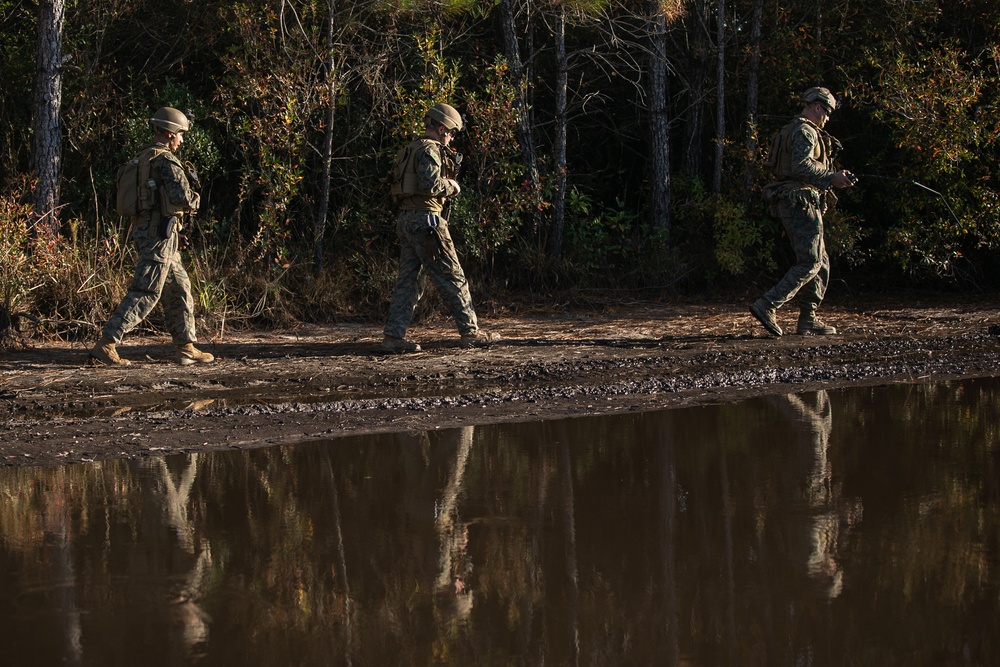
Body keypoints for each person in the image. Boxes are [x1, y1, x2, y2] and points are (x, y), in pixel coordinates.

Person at [89, 107, 214, 366]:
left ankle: (186, 346)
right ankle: (108, 342)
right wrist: (196, 199)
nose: (181, 140)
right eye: (180, 134)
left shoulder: (144, 156)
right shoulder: (166, 161)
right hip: (160, 236)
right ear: (170, 133)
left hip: (155, 233)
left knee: (179, 287)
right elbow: (182, 197)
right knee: (146, 291)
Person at [382, 102, 498, 353]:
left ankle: (393, 337)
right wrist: (452, 186)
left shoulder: (410, 149)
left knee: (408, 282)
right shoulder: (429, 150)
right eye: (451, 132)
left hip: (407, 219)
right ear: (441, 127)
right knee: (452, 276)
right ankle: (470, 332)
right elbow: (430, 183)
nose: (451, 137)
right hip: (427, 221)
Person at [750, 87, 856, 337]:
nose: (827, 118)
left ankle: (808, 319)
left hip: (798, 200)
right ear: (817, 107)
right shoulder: (804, 131)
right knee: (810, 260)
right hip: (800, 201)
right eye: (827, 112)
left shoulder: (794, 129)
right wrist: (832, 177)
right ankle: (767, 304)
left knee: (821, 261)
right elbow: (801, 166)